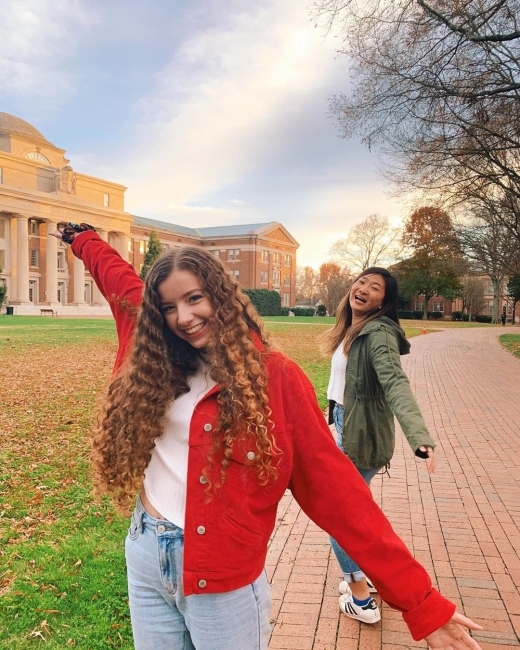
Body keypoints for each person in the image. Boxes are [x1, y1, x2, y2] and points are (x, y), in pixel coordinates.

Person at [52, 224, 483, 650]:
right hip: (146, 554)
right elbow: (118, 277)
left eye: (195, 298)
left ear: (220, 295)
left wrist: (420, 602)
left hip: (223, 577)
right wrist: (84, 241)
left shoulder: (275, 379)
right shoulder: (151, 346)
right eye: (168, 307)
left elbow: (340, 496)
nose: (183, 317)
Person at [322, 267, 437, 625]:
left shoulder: (379, 334)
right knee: (353, 513)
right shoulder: (353, 330)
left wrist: (418, 436)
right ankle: (365, 575)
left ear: (383, 302)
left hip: (358, 437)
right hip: (345, 426)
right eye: (361, 282)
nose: (364, 289)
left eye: (375, 288)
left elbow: (395, 384)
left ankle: (360, 598)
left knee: (339, 517)